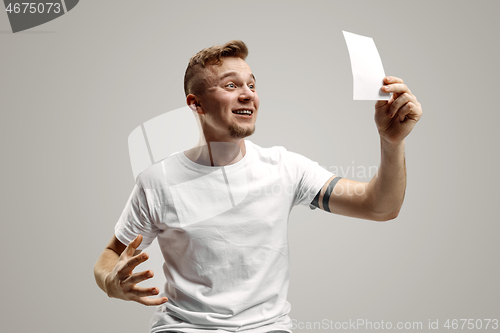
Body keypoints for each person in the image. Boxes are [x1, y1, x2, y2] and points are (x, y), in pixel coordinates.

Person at [94, 40, 422, 333]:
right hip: (183, 328)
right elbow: (110, 255)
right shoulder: (157, 181)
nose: (248, 93)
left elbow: (380, 207)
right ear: (196, 104)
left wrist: (390, 141)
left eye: (252, 84)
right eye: (232, 85)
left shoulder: (286, 168)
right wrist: (111, 281)